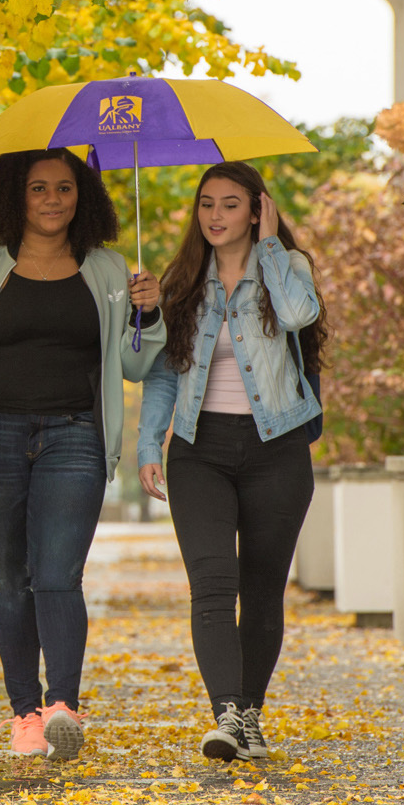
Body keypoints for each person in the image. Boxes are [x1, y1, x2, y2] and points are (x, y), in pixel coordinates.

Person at [0, 147, 165, 760]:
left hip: (76, 437)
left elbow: (137, 365)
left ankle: (63, 705)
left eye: (64, 188)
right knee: (14, 582)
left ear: (83, 195)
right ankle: (24, 715)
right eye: (39, 188)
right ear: (16, 195)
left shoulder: (111, 273)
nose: (53, 199)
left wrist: (149, 311)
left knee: (59, 576)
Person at [136, 161, 324, 762]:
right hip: (200, 450)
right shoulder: (182, 281)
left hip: (278, 449)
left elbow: (299, 316)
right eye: (206, 204)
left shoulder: (288, 268)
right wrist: (148, 445)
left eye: (230, 204)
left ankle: (249, 716)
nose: (215, 216)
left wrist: (270, 246)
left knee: (262, 589)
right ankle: (227, 715)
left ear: (257, 209)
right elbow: (161, 372)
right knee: (212, 584)